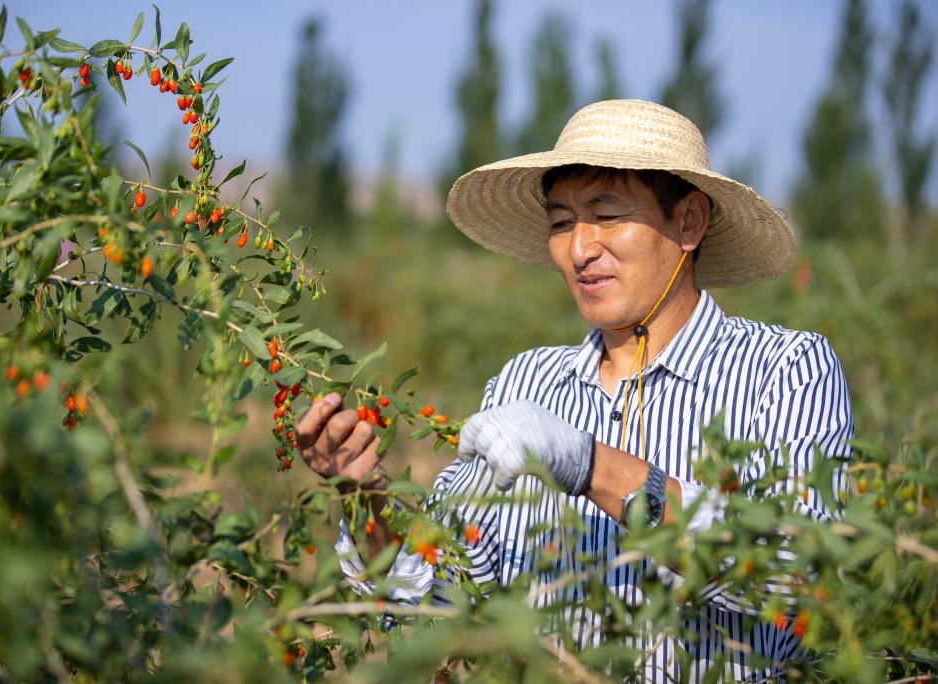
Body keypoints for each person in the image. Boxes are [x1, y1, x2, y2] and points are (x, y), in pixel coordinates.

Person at [295, 99, 853, 682]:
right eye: (561, 222)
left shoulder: (784, 371)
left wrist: (592, 466)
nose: (580, 249)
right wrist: (367, 499)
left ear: (689, 221)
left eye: (607, 215)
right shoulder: (527, 383)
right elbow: (433, 592)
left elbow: (802, 576)